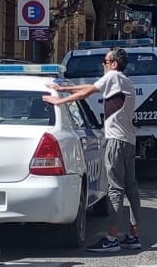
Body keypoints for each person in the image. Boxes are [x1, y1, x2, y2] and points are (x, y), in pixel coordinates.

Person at [43, 47, 141, 252]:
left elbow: (88, 91)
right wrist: (64, 88)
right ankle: (134, 235)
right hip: (128, 140)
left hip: (115, 141)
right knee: (131, 188)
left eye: (105, 61)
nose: (103, 65)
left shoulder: (113, 76)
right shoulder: (124, 80)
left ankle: (111, 238)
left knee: (115, 189)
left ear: (114, 64)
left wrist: (59, 100)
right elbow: (91, 87)